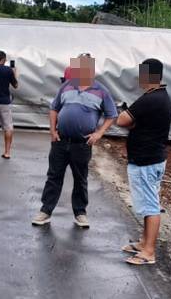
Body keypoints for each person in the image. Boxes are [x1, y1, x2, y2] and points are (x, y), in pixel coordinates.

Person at [32, 53, 118, 228]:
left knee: (80, 179)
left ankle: (80, 213)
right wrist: (52, 131)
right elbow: (54, 109)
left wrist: (99, 133)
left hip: (82, 144)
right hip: (61, 141)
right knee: (54, 176)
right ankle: (45, 211)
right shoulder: (67, 86)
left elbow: (112, 115)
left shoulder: (101, 90)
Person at [116, 58, 171, 265]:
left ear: (150, 75)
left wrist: (123, 112)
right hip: (152, 158)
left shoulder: (151, 98)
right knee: (150, 204)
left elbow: (122, 120)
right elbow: (137, 124)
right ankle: (144, 243)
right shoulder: (160, 97)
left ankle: (148, 251)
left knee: (150, 206)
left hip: (146, 161)